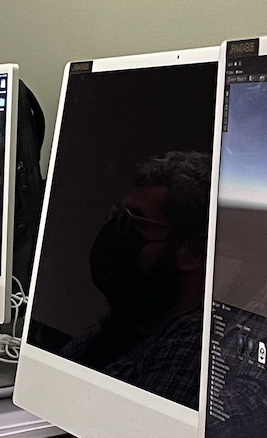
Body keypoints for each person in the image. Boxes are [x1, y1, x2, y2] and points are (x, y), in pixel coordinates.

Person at [62, 150, 212, 408]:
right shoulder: (127, 321)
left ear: (194, 252)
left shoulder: (193, 350)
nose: (118, 235)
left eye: (137, 224)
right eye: (119, 218)